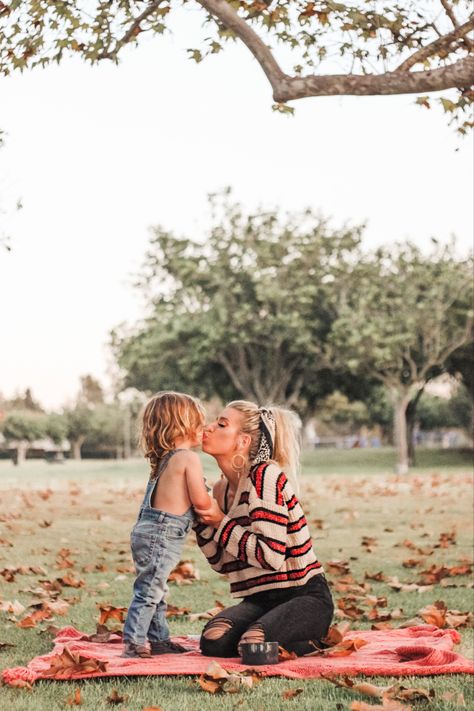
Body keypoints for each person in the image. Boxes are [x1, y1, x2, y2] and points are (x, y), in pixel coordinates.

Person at [194, 400, 334, 657]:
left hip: (303, 595)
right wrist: (200, 519)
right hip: (260, 599)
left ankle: (309, 637)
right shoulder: (220, 489)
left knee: (254, 647)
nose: (209, 427)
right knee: (213, 641)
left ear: (242, 441)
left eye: (221, 424)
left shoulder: (264, 476)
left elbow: (271, 556)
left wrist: (219, 522)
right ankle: (270, 630)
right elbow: (221, 563)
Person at [122, 391, 212, 658]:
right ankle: (134, 642)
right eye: (198, 421)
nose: (203, 428)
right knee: (150, 590)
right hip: (162, 535)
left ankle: (159, 639)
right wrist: (215, 503)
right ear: (181, 425)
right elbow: (200, 501)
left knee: (156, 588)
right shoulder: (187, 458)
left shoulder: (166, 459)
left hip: (148, 532)